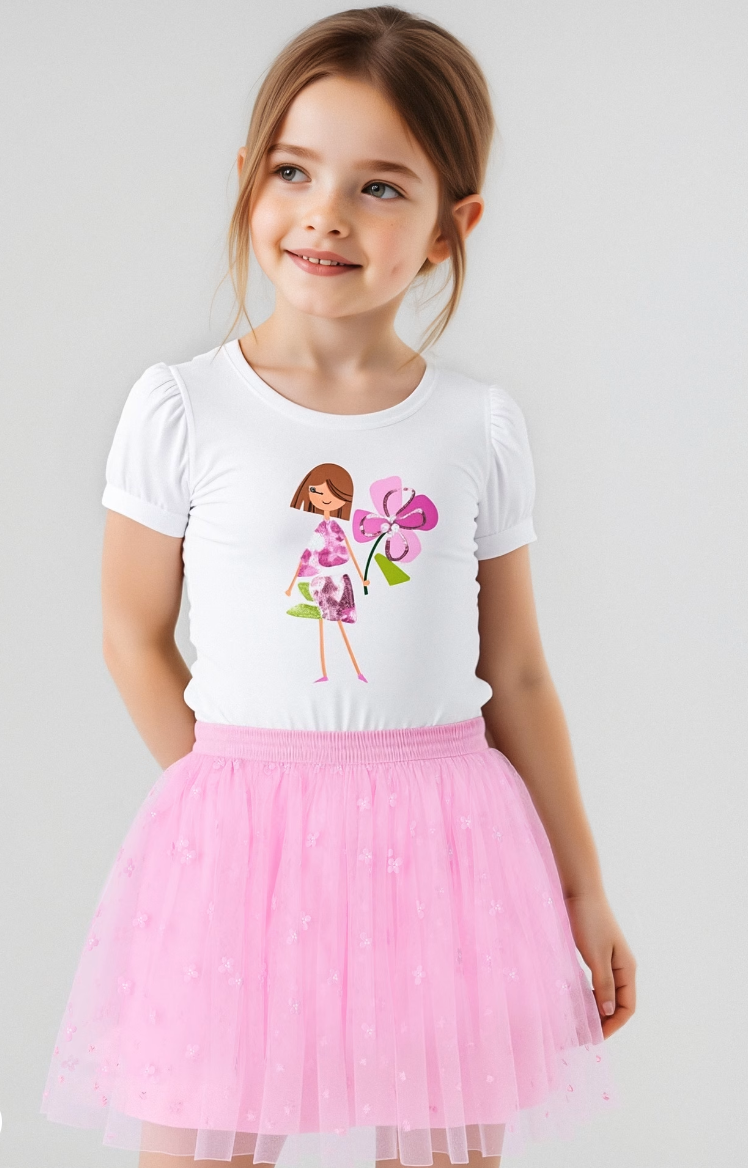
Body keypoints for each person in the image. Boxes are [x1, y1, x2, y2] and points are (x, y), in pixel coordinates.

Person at [40, 7, 636, 1167]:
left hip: (450, 847)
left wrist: (583, 892)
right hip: (242, 850)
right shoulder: (182, 408)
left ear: (451, 227)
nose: (325, 213)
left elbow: (515, 670)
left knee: (445, 1149)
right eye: (294, 171)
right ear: (248, 178)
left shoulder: (476, 424)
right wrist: (233, 806)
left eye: (379, 187)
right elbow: (131, 632)